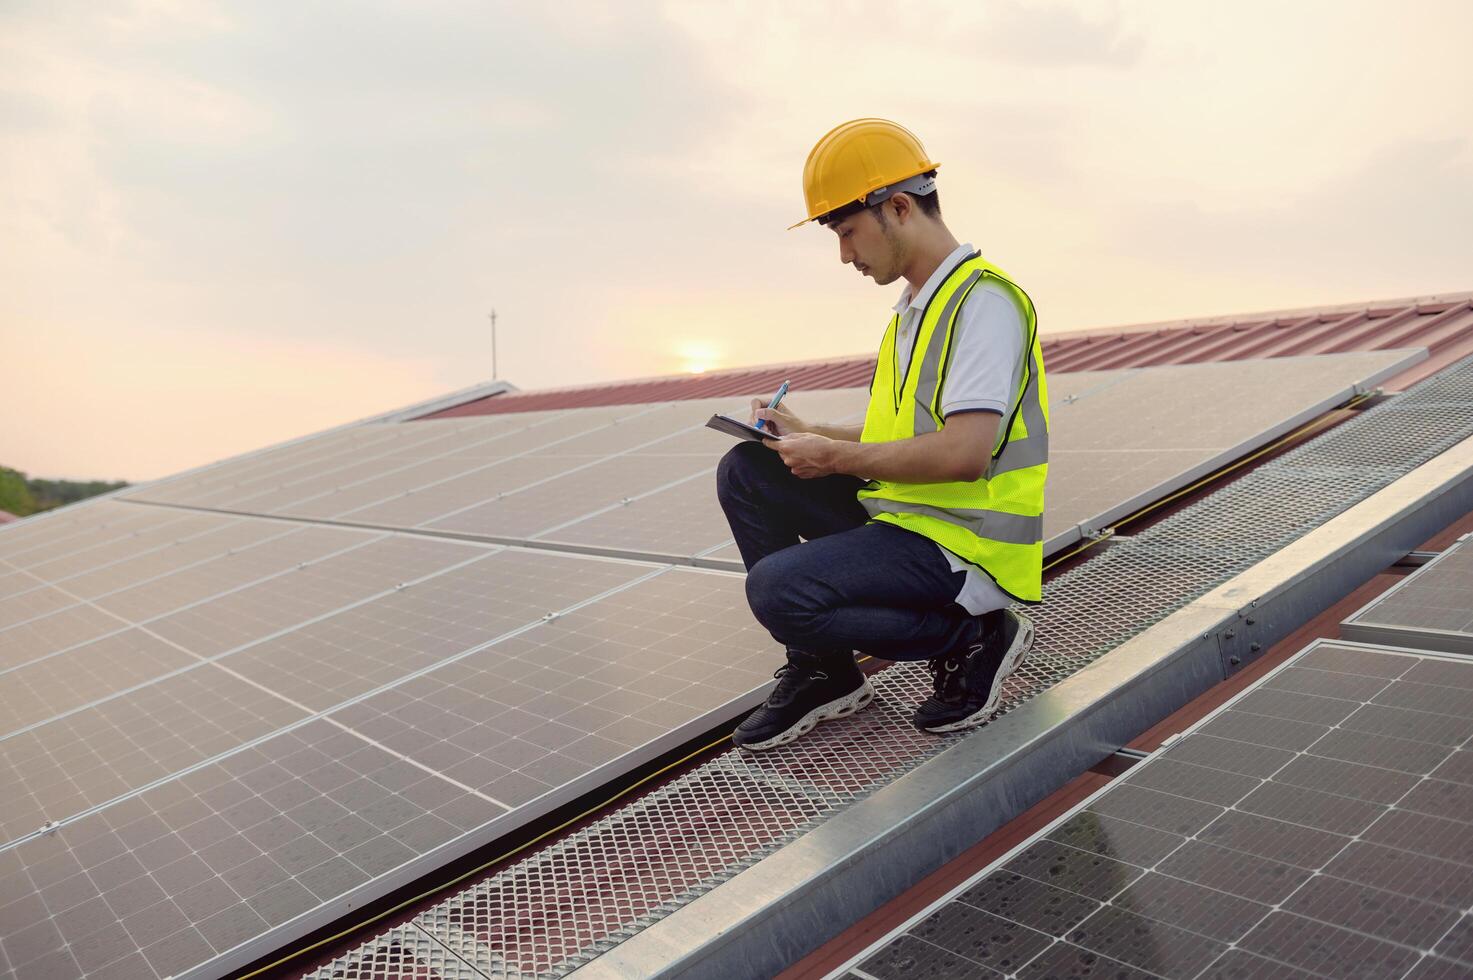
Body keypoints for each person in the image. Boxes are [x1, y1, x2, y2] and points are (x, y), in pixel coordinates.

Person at [716, 118, 1049, 752]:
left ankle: (975, 636)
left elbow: (965, 450)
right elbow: (904, 432)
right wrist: (809, 433)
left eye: (847, 232)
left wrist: (836, 457)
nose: (845, 254)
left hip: (965, 545)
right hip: (907, 522)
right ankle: (825, 672)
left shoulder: (984, 304)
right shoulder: (915, 311)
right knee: (748, 470)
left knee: (778, 590)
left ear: (897, 207)